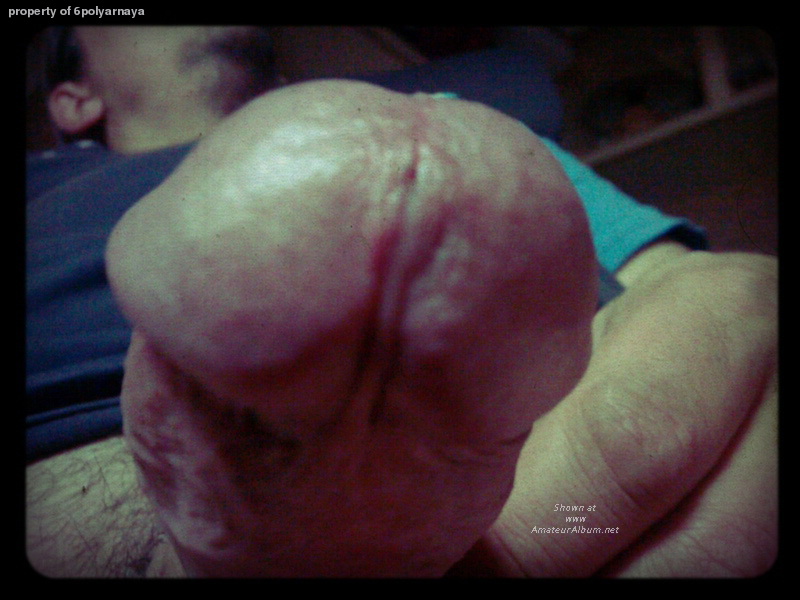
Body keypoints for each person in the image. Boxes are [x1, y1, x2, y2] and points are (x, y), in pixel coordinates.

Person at [25, 26, 777, 578]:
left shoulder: (461, 128)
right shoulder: (38, 200)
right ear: (72, 99)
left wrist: (603, 503)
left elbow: (684, 287)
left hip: (555, 487)